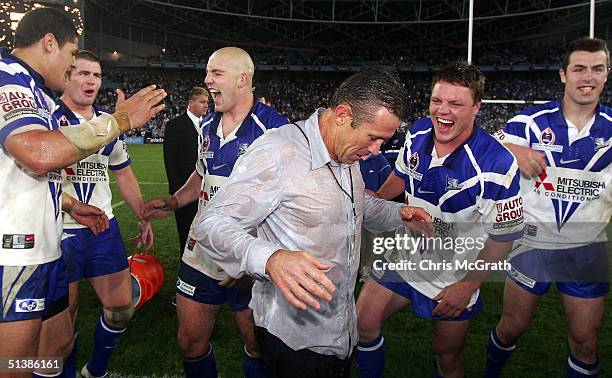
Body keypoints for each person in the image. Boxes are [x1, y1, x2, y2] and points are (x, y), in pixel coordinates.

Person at [194, 66, 432, 378]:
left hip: (341, 332)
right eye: (374, 138)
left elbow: (356, 204)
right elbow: (210, 222)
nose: (377, 151)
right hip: (293, 342)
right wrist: (271, 259)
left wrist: (397, 214)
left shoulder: (348, 153)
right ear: (344, 114)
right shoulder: (280, 151)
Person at [0, 6, 165, 376]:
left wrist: (71, 205)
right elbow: (37, 153)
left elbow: (27, 170)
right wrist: (121, 122)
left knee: (54, 347)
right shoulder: (7, 76)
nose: (74, 68)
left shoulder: (36, 93)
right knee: (13, 367)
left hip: (45, 246)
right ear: (49, 43)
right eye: (73, 56)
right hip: (13, 250)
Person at [354, 62, 525, 378]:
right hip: (404, 254)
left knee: (447, 357)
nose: (442, 111)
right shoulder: (418, 132)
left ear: (476, 107)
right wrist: (374, 197)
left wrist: (467, 286)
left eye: (455, 103)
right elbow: (401, 177)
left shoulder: (497, 164)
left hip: (454, 273)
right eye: (437, 101)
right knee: (362, 323)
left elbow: (503, 236)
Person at [144, 47, 288, 378]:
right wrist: (173, 202)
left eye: (216, 73)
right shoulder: (207, 126)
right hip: (202, 249)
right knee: (190, 343)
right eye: (207, 73)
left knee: (257, 346)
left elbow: (289, 201)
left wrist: (255, 261)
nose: (207, 80)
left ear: (243, 79)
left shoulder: (276, 132)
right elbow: (201, 176)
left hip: (250, 259)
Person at [485, 37, 611, 378]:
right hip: (532, 243)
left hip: (587, 250)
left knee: (585, 341)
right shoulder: (528, 124)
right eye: (579, 69)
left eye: (597, 69)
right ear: (563, 75)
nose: (588, 77)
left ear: (606, 74)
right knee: (511, 326)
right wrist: (514, 152)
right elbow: (483, 153)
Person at [57, 49, 154, 378]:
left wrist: (142, 215)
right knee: (63, 321)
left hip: (102, 230)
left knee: (120, 309)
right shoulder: (46, 116)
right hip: (61, 230)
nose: (91, 81)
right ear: (67, 76)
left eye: (96, 75)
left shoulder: (108, 123)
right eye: (83, 73)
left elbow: (124, 173)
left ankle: (96, 369)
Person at [163, 87, 209, 255]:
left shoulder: (210, 125)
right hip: (184, 192)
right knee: (186, 234)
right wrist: (178, 193)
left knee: (207, 233)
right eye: (202, 102)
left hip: (208, 192)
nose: (206, 106)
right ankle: (186, 270)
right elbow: (171, 161)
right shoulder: (174, 126)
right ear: (191, 103)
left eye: (207, 102)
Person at [358, 154, 392, 281]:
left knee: (370, 237)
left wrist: (377, 196)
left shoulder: (380, 161)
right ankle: (350, 269)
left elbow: (388, 186)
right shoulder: (353, 158)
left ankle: (365, 270)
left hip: (372, 208)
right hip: (351, 207)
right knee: (350, 239)